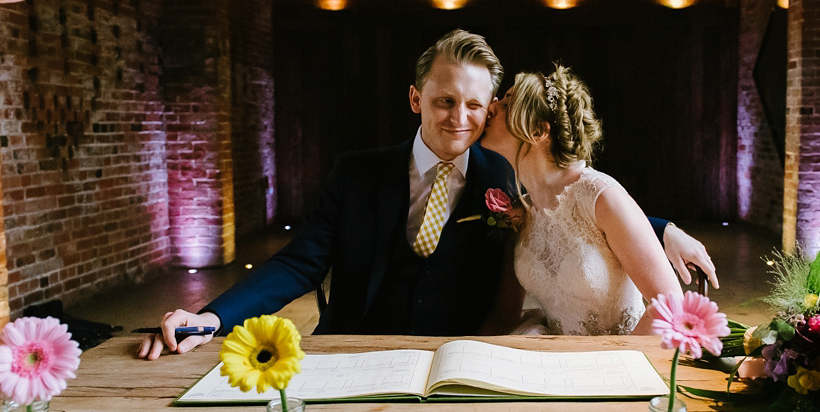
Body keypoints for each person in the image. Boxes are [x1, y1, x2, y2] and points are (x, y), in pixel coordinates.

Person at [139, 30, 717, 359]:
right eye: (445, 101)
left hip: (455, 358)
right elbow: (299, 261)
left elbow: (575, 203)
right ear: (416, 99)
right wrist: (214, 317)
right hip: (353, 355)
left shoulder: (502, 176)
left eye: (475, 106)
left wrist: (662, 228)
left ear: (491, 109)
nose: (460, 119)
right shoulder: (355, 174)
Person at [478, 64, 681, 335]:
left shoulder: (600, 196)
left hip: (616, 363)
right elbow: (504, 318)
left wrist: (616, 368)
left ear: (538, 131)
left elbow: (671, 306)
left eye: (507, 102)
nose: (491, 106)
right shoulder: (522, 212)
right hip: (556, 360)